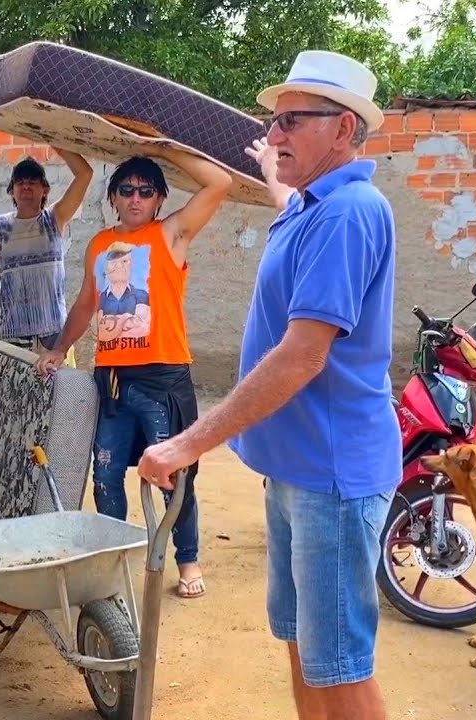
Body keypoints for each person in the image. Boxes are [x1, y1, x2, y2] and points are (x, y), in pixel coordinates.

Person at [136, 50, 397, 719]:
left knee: (339, 667)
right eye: (272, 122)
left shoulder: (348, 214)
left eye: (290, 122)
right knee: (303, 646)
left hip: (330, 478)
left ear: (343, 130)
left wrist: (187, 445)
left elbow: (301, 358)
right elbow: (287, 197)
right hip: (295, 472)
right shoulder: (311, 204)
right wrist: (270, 173)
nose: (275, 135)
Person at [36, 146, 232, 599]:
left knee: (172, 475)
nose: (136, 198)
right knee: (105, 475)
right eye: (126, 190)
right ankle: (114, 562)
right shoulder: (100, 246)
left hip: (163, 379)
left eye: (146, 190)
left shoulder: (172, 234)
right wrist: (59, 348)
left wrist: (163, 148)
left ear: (160, 199)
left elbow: (218, 183)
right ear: (113, 198)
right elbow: (87, 304)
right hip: (114, 382)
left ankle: (187, 560)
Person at [0, 149, 93, 362]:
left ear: (45, 189)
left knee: (58, 394)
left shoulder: (55, 218)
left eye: (33, 181)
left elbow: (85, 174)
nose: (26, 186)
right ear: (11, 191)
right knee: (15, 395)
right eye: (20, 182)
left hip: (54, 335)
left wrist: (57, 140)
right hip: (14, 335)